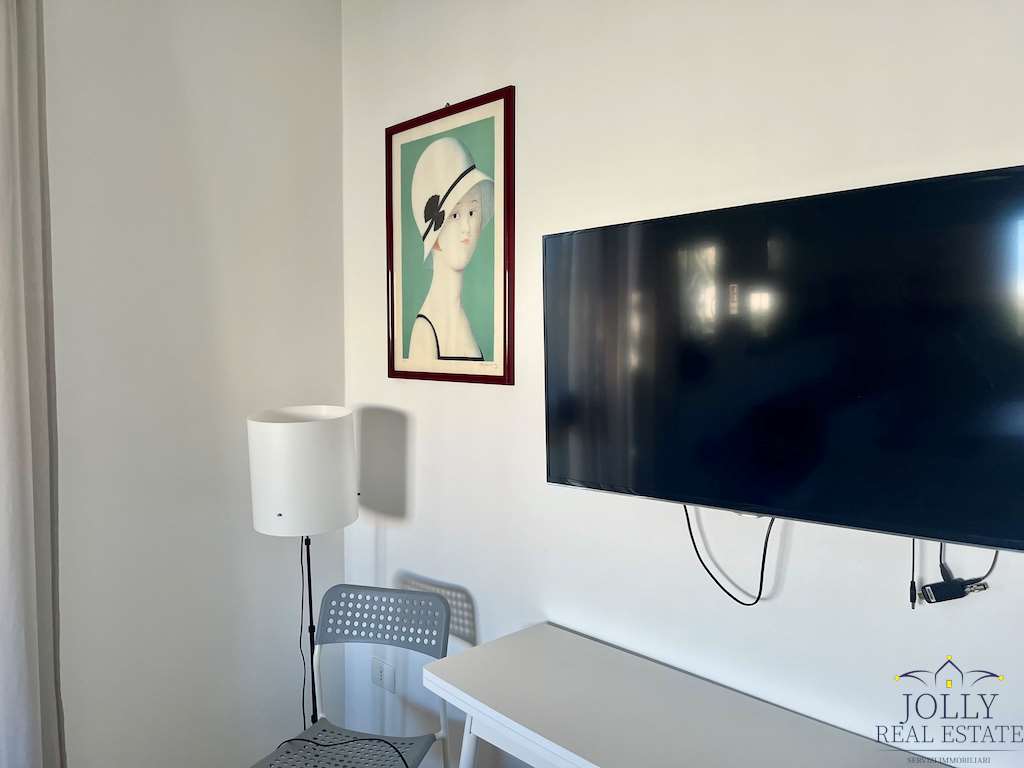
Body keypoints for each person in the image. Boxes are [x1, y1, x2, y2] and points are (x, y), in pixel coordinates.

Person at [409, 136, 494, 361]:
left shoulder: (460, 316)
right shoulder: (426, 332)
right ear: (434, 234)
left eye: (472, 212)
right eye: (454, 215)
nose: (467, 228)